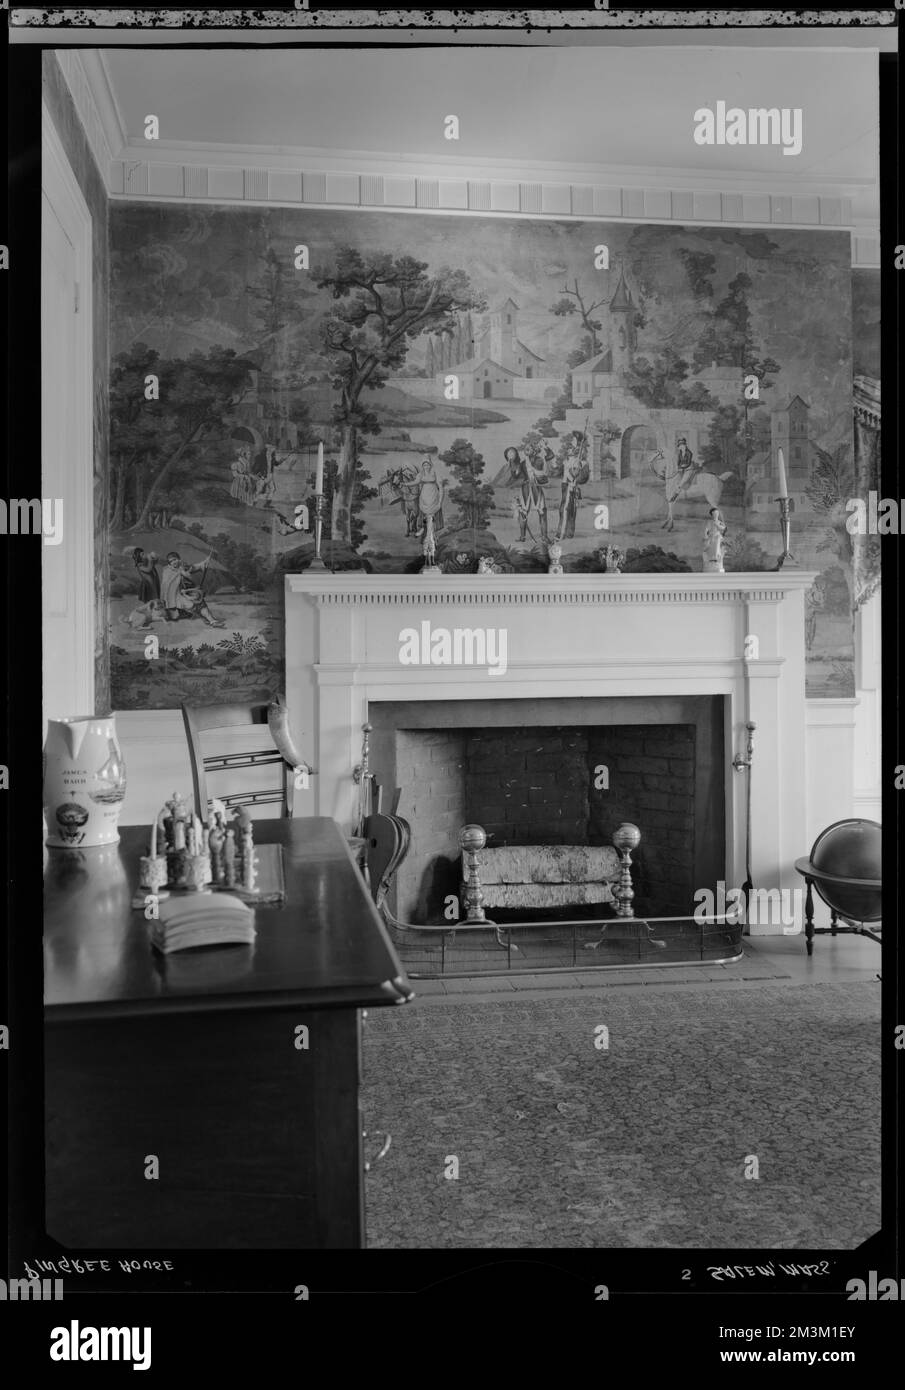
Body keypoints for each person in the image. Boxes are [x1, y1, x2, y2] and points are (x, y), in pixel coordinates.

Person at [159, 551, 225, 627]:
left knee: (200, 603)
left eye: (175, 559)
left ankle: (212, 621)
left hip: (187, 592)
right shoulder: (167, 571)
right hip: (176, 597)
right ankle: (205, 617)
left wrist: (205, 562)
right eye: (171, 561)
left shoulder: (183, 567)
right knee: (189, 609)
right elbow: (166, 586)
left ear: (179, 559)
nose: (174, 562)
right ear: (169, 563)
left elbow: (194, 567)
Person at [504, 442, 551, 545]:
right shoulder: (523, 463)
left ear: (534, 450)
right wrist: (511, 461)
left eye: (528, 448)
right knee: (523, 513)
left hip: (536, 489)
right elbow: (516, 475)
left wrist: (546, 447)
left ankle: (544, 536)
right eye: (525, 449)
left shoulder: (540, 460)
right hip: (526, 489)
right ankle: (522, 536)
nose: (526, 450)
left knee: (542, 512)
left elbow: (551, 456)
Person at [557, 433, 590, 540]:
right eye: (572, 446)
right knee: (564, 509)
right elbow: (567, 471)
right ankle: (561, 533)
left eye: (576, 444)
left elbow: (583, 475)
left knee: (572, 510)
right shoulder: (567, 460)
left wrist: (580, 466)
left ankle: (569, 533)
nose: (573, 447)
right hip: (566, 485)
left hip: (574, 485)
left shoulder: (581, 460)